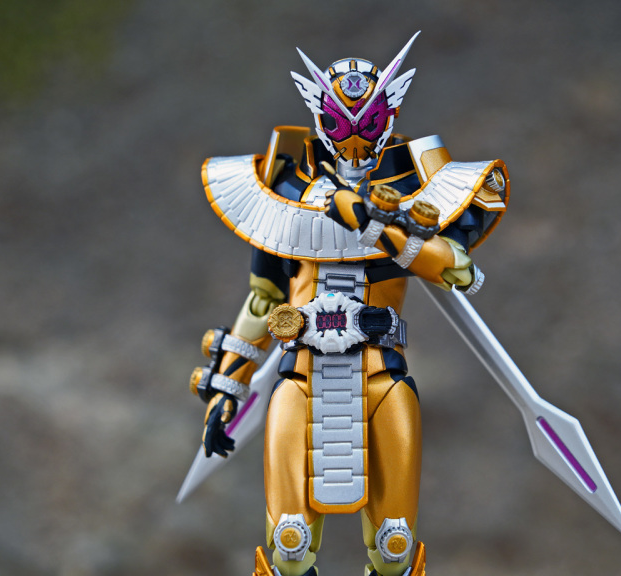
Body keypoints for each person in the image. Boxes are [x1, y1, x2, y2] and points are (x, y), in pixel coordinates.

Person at [189, 32, 509, 576]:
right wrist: (227, 388)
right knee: (289, 545)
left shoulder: (418, 187)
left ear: (388, 115)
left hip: (381, 372)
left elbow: (457, 268)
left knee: (394, 546)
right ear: (321, 119)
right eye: (341, 125)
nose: (356, 142)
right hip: (300, 375)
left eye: (369, 122)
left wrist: (378, 225)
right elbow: (264, 298)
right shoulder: (288, 189)